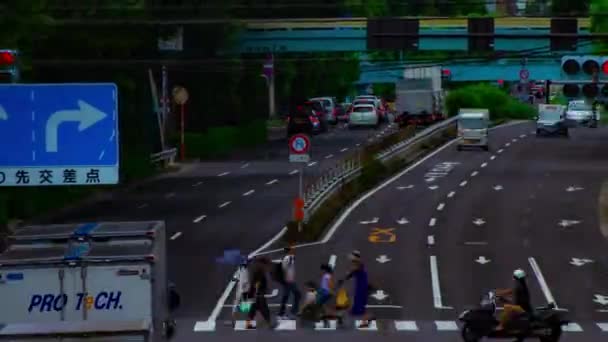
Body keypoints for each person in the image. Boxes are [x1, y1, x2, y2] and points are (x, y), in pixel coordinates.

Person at [337, 250, 372, 328]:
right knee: (357, 307)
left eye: (352, 255)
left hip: (361, 287)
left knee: (359, 306)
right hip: (360, 286)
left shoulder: (358, 263)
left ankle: (341, 318)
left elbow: (351, 272)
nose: (350, 256)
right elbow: (351, 274)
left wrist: (343, 279)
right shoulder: (356, 263)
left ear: (356, 256)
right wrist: (344, 278)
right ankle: (366, 320)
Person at [245, 257, 276, 329]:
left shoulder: (259, 269)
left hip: (256, 293)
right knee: (264, 308)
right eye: (267, 265)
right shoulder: (259, 271)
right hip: (258, 293)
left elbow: (254, 282)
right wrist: (257, 292)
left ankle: (248, 324)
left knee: (253, 309)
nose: (267, 268)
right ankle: (269, 324)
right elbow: (255, 283)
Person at [278, 246, 301, 319]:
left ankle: (282, 313)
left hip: (290, 280)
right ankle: (292, 312)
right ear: (289, 251)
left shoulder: (290, 257)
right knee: (297, 294)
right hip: (288, 281)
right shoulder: (288, 258)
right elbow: (284, 269)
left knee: (286, 296)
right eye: (292, 250)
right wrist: (286, 279)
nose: (294, 250)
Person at [231, 257, 251, 325]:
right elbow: (244, 281)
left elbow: (233, 278)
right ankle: (238, 314)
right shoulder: (245, 270)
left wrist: (237, 280)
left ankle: (234, 316)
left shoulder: (240, 269)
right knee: (245, 305)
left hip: (240, 290)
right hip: (243, 290)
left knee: (238, 303)